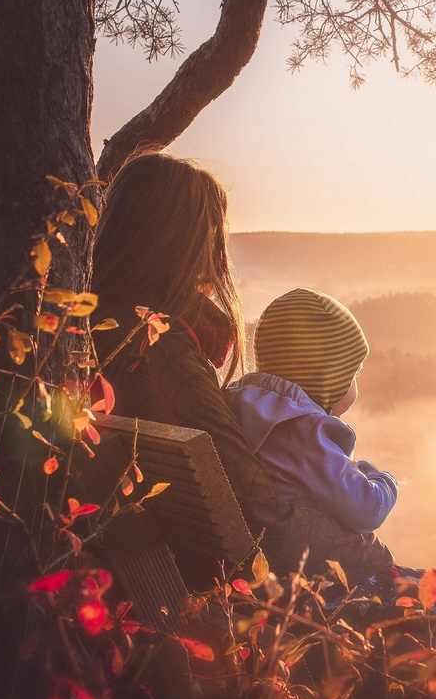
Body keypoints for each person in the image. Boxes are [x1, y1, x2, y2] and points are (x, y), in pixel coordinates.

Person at [89, 153, 393, 587]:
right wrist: (369, 551)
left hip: (139, 565)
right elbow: (263, 518)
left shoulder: (94, 334)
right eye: (210, 241)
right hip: (206, 586)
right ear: (184, 246)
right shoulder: (168, 360)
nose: (215, 260)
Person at [227, 288, 399, 573]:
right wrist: (382, 478)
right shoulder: (307, 432)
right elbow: (367, 509)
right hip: (301, 568)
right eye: (353, 373)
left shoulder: (240, 399)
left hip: (259, 554)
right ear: (328, 378)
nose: (356, 382)